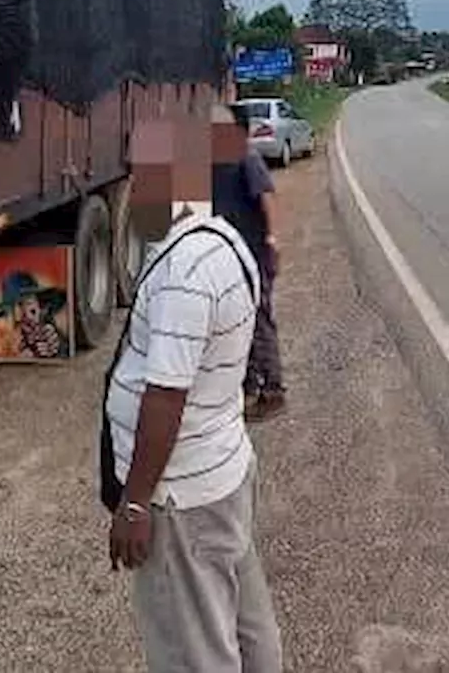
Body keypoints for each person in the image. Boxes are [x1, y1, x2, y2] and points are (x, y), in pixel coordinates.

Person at [101, 111, 283, 673]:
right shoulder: (223, 239)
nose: (133, 188)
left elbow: (166, 397)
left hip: (182, 499)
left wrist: (134, 503)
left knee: (195, 652)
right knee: (247, 628)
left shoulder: (186, 268)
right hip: (222, 471)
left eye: (143, 175)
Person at [217, 105, 286, 422]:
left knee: (258, 320)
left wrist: (272, 238)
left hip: (253, 253)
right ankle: (247, 387)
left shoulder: (246, 156)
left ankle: (273, 390)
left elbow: (266, 197)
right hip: (226, 256)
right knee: (234, 322)